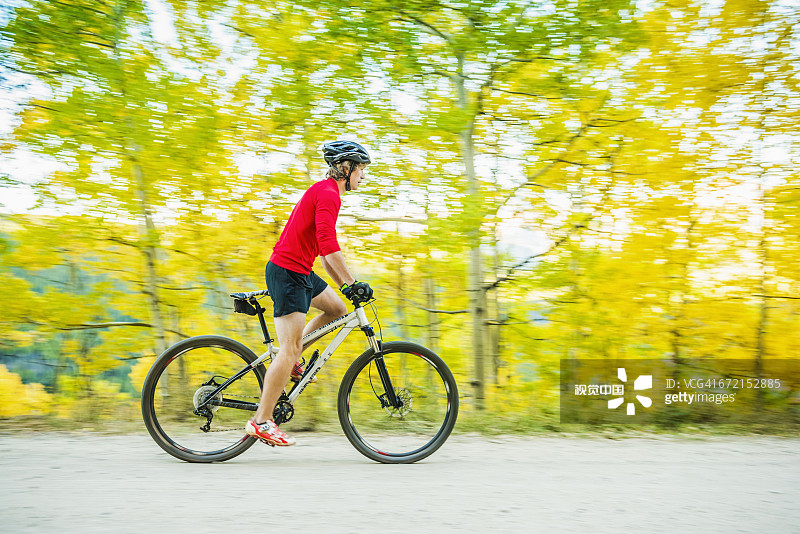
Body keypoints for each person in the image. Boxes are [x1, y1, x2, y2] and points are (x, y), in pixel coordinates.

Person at [245, 140, 374, 447]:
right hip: (288, 273)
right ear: (346, 168)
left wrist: (345, 287)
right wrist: (351, 282)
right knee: (289, 347)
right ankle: (261, 420)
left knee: (337, 310)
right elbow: (329, 248)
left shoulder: (328, 193)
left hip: (300, 271)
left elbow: (324, 251)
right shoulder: (328, 194)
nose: (364, 176)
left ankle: (292, 362)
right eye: (361, 170)